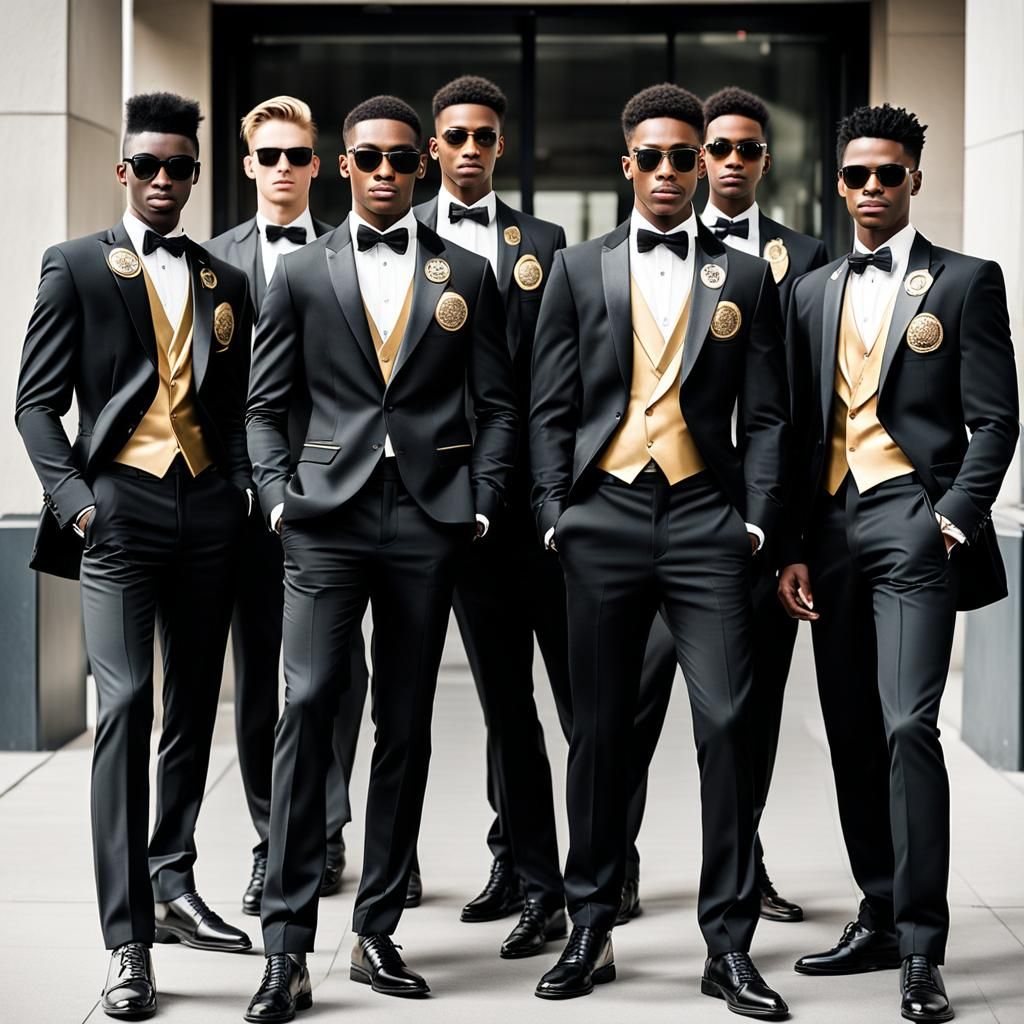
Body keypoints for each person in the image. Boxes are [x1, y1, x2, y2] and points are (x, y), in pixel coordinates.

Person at [243, 94, 518, 1021]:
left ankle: (376, 928)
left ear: (423, 163)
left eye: (405, 159)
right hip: (323, 517)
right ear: (344, 165)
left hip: (428, 519)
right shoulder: (302, 275)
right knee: (309, 703)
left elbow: (501, 404)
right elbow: (263, 404)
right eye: (371, 159)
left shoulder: (468, 273)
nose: (389, 173)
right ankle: (285, 945)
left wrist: (480, 502)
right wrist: (278, 498)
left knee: (405, 725)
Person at [529, 83, 789, 1019]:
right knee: (599, 735)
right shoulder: (576, 269)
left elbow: (763, 413)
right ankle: (591, 922)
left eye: (688, 157)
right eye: (656, 157)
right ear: (627, 164)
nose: (673, 172)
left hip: (705, 524)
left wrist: (754, 519)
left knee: (726, 722)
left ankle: (728, 945)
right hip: (600, 518)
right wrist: (555, 509)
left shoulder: (747, 277)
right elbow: (549, 404)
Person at [16, 92, 254, 1021]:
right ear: (124, 172)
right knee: (124, 704)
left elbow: (233, 408)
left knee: (196, 705)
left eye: (179, 169)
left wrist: (237, 492)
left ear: (197, 177)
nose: (163, 181)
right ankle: (128, 942)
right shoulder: (74, 265)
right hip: (115, 511)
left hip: (207, 510)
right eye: (147, 167)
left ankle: (175, 878)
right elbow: (36, 404)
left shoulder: (222, 281)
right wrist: (76, 507)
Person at [778, 103, 1018, 1023]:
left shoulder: (965, 283)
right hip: (831, 534)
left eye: (888, 173)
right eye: (855, 175)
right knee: (848, 730)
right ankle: (877, 911)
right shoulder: (810, 290)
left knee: (908, 726)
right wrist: (794, 545)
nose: (871, 188)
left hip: (914, 528)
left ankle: (924, 946)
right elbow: (801, 432)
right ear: (838, 185)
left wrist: (951, 521)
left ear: (914, 177)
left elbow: (997, 418)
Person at [205, 94, 371, 917]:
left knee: (343, 676)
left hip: (335, 502)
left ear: (318, 165)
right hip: (240, 507)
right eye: (267, 156)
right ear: (249, 165)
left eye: (296, 156)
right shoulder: (212, 260)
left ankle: (330, 827)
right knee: (261, 676)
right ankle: (275, 842)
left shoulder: (353, 252)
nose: (281, 169)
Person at [700, 85, 830, 923]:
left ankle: (744, 865)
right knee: (629, 715)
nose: (733, 161)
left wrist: (795, 537)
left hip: (764, 519)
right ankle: (617, 872)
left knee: (754, 707)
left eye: (750, 148)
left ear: (766, 161)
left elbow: (814, 410)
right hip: (665, 511)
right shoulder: (646, 248)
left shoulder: (807, 258)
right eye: (720, 148)